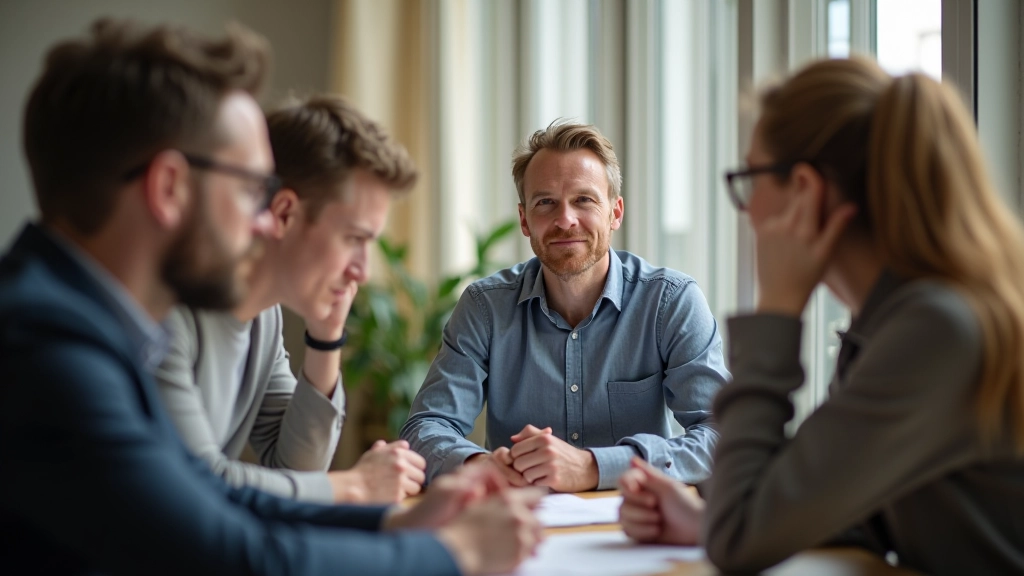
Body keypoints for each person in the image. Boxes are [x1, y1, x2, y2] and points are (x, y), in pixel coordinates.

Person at [0, 18, 542, 576]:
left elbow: (207, 499)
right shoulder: (48, 348)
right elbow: (228, 553)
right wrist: (457, 553)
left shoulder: (88, 321)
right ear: (168, 188)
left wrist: (389, 524)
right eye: (252, 189)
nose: (266, 223)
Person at [618, 56, 1024, 575]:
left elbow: (741, 539)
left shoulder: (935, 330)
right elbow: (858, 512)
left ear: (805, 191)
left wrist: (777, 310)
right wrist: (705, 520)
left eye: (751, 179)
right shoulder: (894, 320)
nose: (747, 210)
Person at [402, 121, 730, 492]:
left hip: (636, 529)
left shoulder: (671, 301)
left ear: (615, 213)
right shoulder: (485, 308)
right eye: (545, 203)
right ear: (525, 220)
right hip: (516, 524)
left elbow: (724, 436)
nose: (565, 220)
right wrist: (481, 466)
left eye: (584, 200)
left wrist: (595, 467)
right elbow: (425, 427)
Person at [154, 94, 426, 505]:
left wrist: (326, 338)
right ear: (283, 214)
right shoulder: (164, 314)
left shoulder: (264, 320)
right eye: (354, 239)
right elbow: (193, 487)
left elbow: (296, 472)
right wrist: (356, 486)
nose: (363, 271)